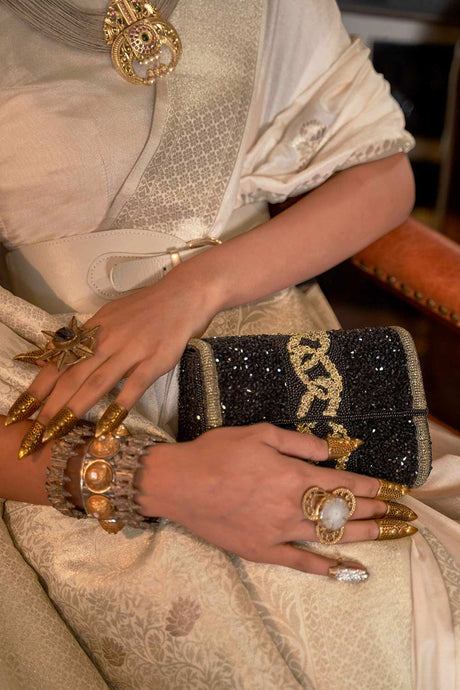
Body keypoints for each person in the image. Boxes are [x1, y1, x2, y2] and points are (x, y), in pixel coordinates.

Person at [0, 1, 458, 688]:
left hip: (284, 366)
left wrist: (193, 288)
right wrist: (158, 482)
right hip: (80, 419)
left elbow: (383, 175)